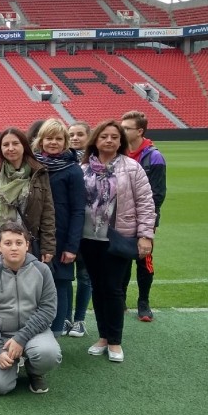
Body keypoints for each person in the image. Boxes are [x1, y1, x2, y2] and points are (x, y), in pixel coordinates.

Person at [79, 120, 156, 363]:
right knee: (98, 288)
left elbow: (146, 203)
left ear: (121, 141)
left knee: (113, 289)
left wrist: (145, 235)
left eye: (114, 137)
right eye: (104, 136)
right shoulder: (83, 169)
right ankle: (102, 336)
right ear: (96, 140)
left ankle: (115, 340)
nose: (109, 140)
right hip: (89, 238)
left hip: (118, 237)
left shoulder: (132, 168)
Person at [0, 221, 62, 395]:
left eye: (19, 243)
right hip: (1, 335)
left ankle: (34, 372)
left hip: (33, 333)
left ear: (27, 245)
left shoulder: (42, 270)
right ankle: (10, 363)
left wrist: (21, 339)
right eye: (8, 243)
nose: (14, 248)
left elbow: (48, 310)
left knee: (49, 354)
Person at [0, 127, 56, 270]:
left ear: (24, 146)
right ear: (0, 149)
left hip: (26, 245)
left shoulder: (38, 174)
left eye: (15, 143)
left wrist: (48, 246)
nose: (10, 148)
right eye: (5, 145)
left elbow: (48, 213)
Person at [32, 119, 85, 336]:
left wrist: (72, 247)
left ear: (65, 142)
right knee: (36, 284)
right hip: (36, 236)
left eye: (58, 138)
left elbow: (78, 211)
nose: (53, 142)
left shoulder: (73, 170)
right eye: (49, 138)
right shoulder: (33, 165)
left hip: (62, 237)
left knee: (60, 284)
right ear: (40, 140)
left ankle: (56, 331)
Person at [121, 111, 167, 321]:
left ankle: (143, 302)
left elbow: (157, 195)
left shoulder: (154, 157)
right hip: (121, 219)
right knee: (120, 258)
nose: (122, 131)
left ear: (140, 131)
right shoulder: (118, 154)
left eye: (126, 128)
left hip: (144, 219)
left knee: (143, 259)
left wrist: (148, 225)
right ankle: (120, 299)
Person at [67, 121, 92, 336]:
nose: (75, 138)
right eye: (71, 134)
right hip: (67, 227)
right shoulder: (62, 160)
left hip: (89, 228)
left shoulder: (95, 162)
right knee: (66, 275)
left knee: (85, 275)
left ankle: (80, 319)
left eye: (79, 134)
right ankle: (66, 317)